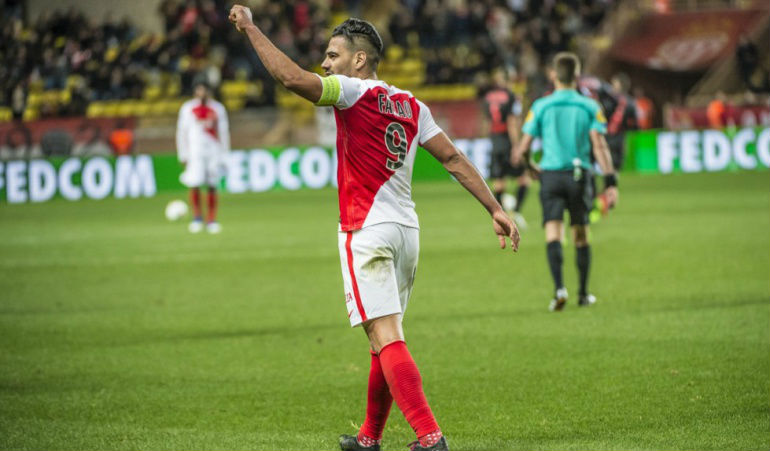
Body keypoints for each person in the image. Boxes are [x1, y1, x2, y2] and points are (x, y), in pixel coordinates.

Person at [227, 6, 519, 451]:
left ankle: (430, 437)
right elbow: (453, 158)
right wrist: (494, 208)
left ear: (359, 60)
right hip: (406, 233)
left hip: (367, 228)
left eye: (332, 55)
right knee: (381, 338)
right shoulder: (412, 104)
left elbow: (291, 79)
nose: (325, 64)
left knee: (386, 337)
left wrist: (250, 27)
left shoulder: (351, 91)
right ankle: (369, 438)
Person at [513, 52, 617, 312]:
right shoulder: (590, 106)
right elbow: (599, 145)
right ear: (577, 75)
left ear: (553, 75)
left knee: (553, 232)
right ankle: (583, 294)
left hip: (550, 175)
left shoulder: (541, 106)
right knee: (580, 234)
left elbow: (523, 147)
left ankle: (559, 289)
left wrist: (530, 166)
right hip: (580, 175)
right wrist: (610, 181)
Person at [176, 79, 230, 234]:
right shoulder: (187, 108)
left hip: (213, 150)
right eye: (199, 90)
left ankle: (212, 219)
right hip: (195, 151)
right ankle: (197, 218)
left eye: (204, 90)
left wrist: (225, 154)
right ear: (195, 91)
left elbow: (224, 132)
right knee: (195, 182)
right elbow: (182, 132)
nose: (201, 93)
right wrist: (183, 153)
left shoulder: (218, 108)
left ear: (209, 91)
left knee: (212, 184)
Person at [480, 67, 530, 229]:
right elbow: (512, 122)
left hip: (495, 141)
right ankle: (516, 212)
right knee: (524, 179)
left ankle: (501, 218)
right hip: (508, 141)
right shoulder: (511, 96)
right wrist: (516, 146)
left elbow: (486, 121)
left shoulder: (488, 97)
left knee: (499, 183)